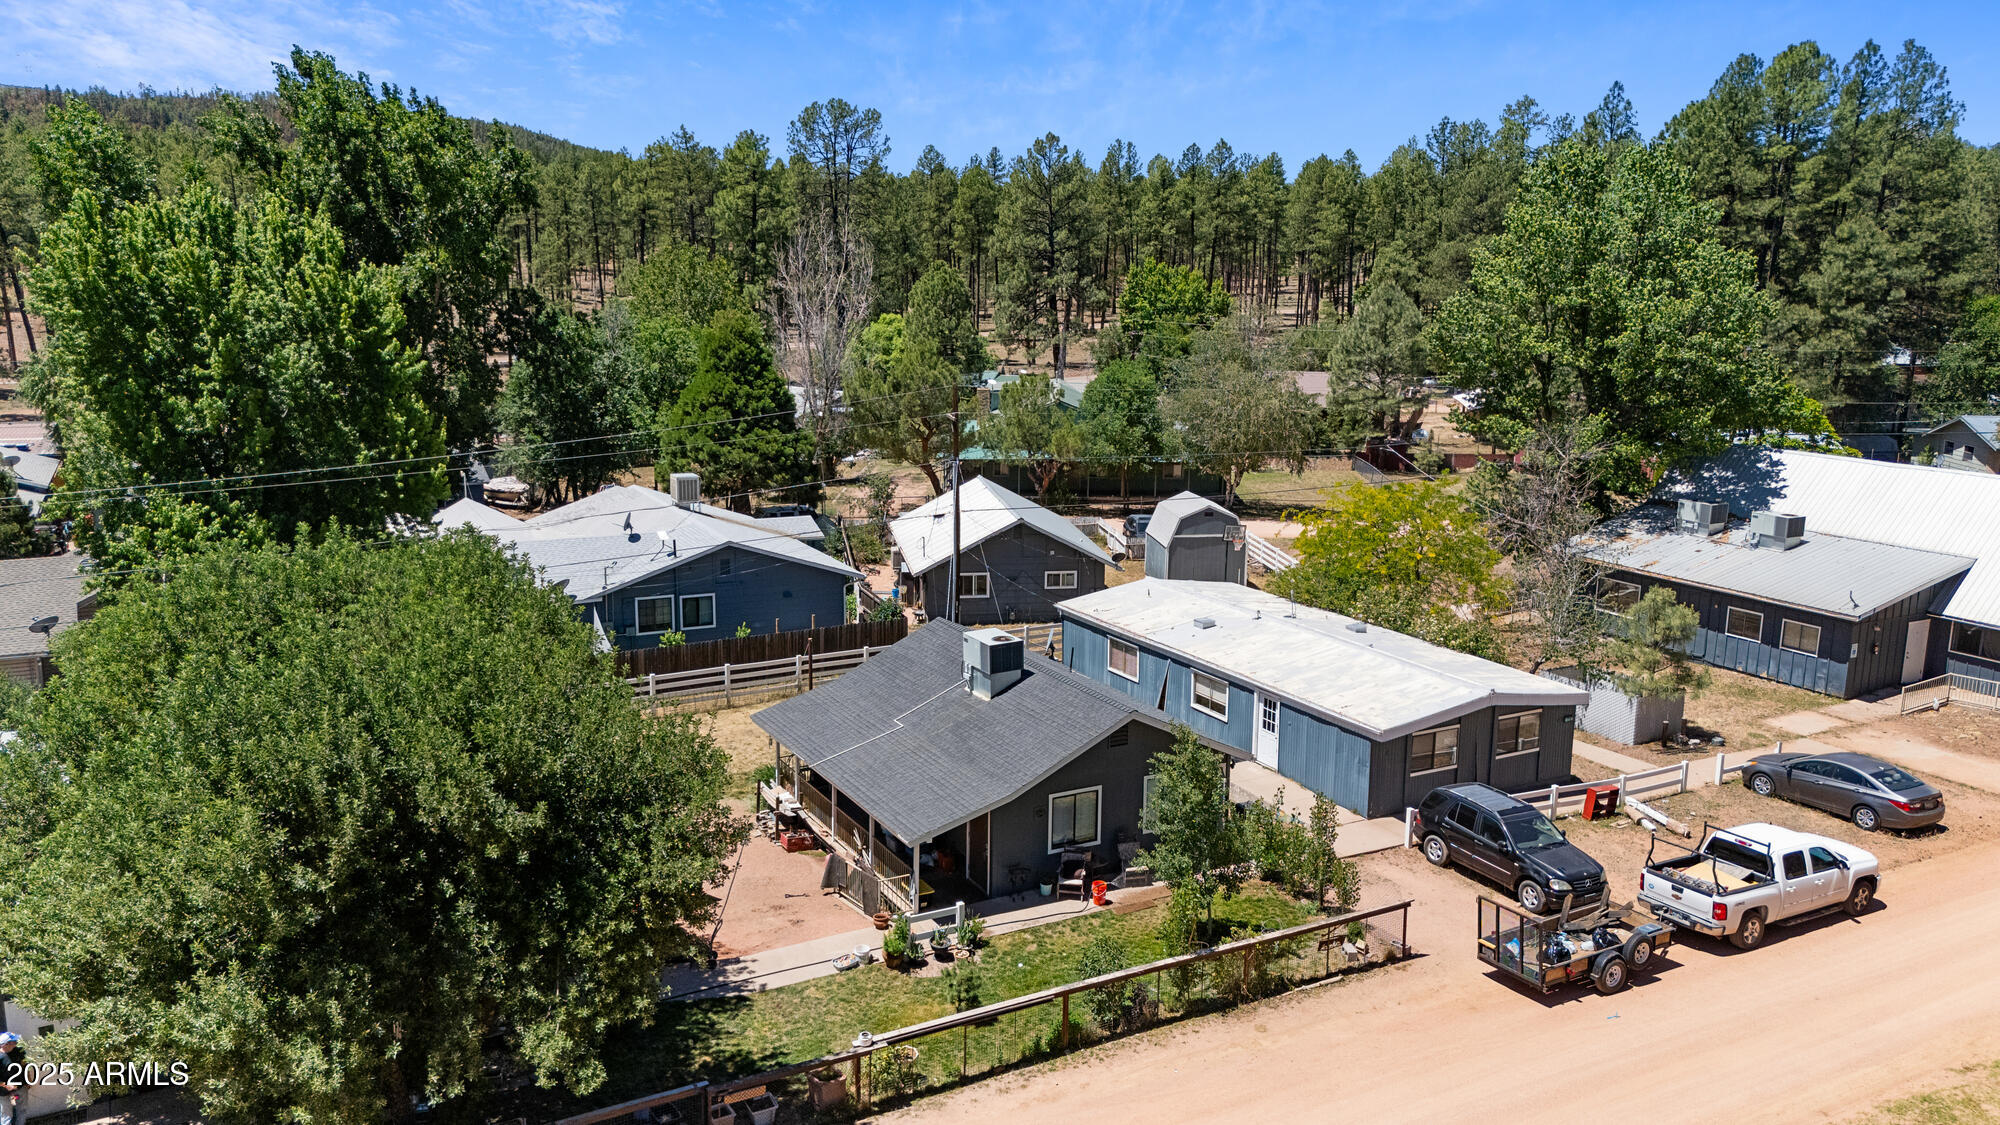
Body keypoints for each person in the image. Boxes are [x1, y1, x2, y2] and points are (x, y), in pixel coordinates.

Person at [0, 1031, 25, 1125]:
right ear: (6, 1044)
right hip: (3, 1094)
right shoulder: (1, 1057)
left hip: (12, 1092)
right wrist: (5, 1085)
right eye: (13, 1042)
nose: (15, 1045)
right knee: (6, 1118)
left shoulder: (7, 1055)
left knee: (14, 1113)